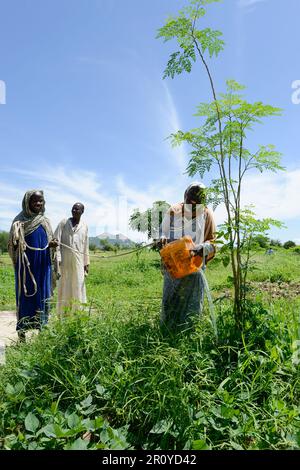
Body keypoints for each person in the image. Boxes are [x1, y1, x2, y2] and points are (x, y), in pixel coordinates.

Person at [159, 182, 216, 331]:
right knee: (171, 300)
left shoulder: (207, 214)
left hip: (194, 267)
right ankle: (167, 330)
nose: (193, 206)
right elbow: (162, 232)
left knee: (193, 302)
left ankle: (189, 332)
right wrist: (162, 238)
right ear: (185, 196)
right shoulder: (173, 211)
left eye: (197, 203)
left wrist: (202, 248)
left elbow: (213, 241)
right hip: (174, 265)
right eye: (190, 202)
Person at [8, 190, 58, 341]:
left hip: (43, 267)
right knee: (25, 297)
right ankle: (22, 333)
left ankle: (42, 330)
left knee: (42, 297)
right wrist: (17, 242)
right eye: (34, 201)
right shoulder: (19, 221)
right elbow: (11, 246)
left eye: (41, 201)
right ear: (27, 202)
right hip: (25, 269)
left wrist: (52, 245)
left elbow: (49, 242)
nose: (38, 204)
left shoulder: (45, 221)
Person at [54, 203, 89, 314]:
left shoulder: (84, 226)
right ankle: (62, 314)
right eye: (73, 208)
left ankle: (78, 312)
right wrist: (58, 259)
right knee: (64, 285)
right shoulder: (63, 223)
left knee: (78, 284)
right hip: (64, 261)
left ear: (82, 211)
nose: (74, 210)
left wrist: (86, 263)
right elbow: (56, 240)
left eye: (77, 209)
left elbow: (85, 246)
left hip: (78, 262)